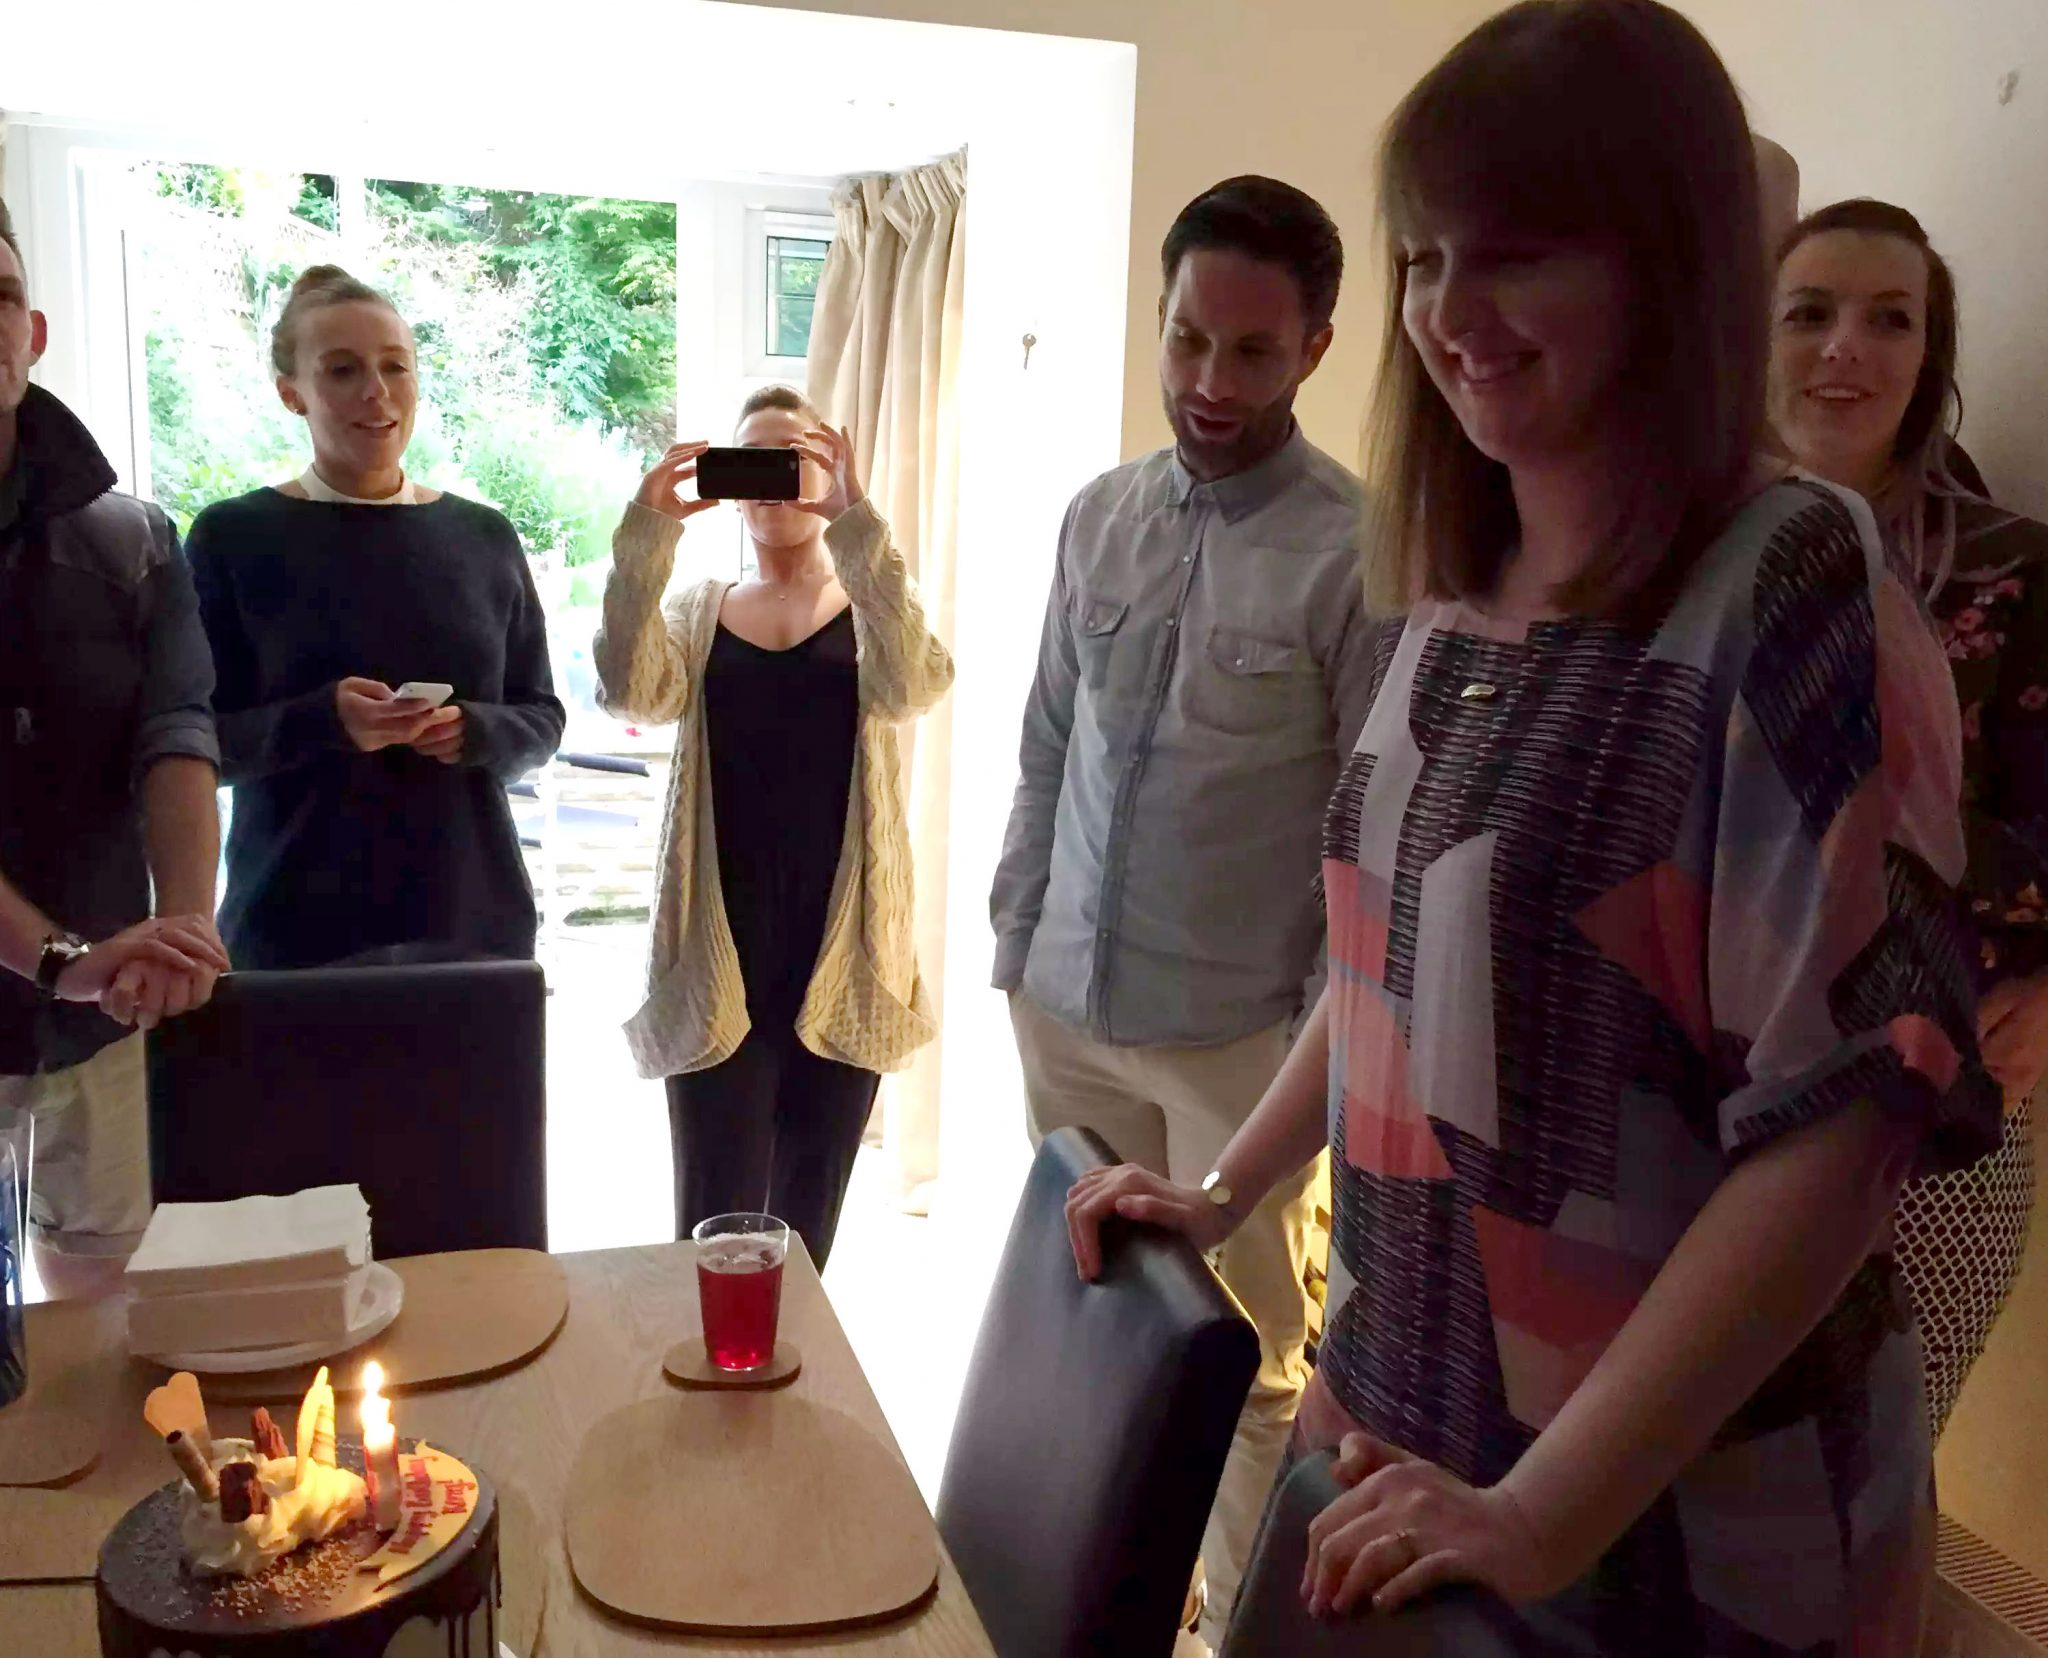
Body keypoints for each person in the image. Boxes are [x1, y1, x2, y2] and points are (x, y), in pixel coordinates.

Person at [1067, 3, 1999, 1650]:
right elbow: (1385, 966)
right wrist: (1222, 1188)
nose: (1448, 311)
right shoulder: (1454, 583)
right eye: (1426, 257)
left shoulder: (1789, 585)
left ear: (1668, 268)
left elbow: (1844, 1126)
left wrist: (1539, 1508)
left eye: (1515, 255)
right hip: (1407, 1440)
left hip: (1677, 1537)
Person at [992, 174, 1378, 1643]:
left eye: (1253, 350)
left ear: (1315, 347)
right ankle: (1106, 1612)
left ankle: (1240, 1633)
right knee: (1094, 1321)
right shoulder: (1097, 516)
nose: (1210, 380)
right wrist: (1015, 942)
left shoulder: (1360, 551)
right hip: (1065, 1009)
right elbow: (1047, 741)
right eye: (1187, 338)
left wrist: (1310, 1058)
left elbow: (1364, 839)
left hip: (1237, 1041)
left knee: (1247, 1362)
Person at [1770, 197, 2045, 1435]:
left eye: (1888, 319)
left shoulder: (2012, 569)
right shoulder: (1664, 551)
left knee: (1880, 1459)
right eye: (1808, 313)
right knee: (1693, 1477)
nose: (1844, 346)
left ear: (1927, 357)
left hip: (1931, 1108)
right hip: (1694, 1102)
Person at [594, 387, 951, 1270]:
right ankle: (706, 1363)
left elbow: (916, 683)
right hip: (719, 959)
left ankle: (788, 1360)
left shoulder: (870, 606)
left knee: (805, 1231)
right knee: (709, 1230)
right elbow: (631, 692)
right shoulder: (697, 612)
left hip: (845, 954)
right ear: (728, 483)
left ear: (825, 469)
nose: (771, 481)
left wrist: (858, 527)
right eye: (751, 461)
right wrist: (647, 538)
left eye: (791, 459)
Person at [186, 266, 564, 971]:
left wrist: (474, 730)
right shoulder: (233, 537)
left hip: (472, 923)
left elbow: (541, 716)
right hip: (294, 928)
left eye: (395, 366)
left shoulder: (483, 536)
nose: (377, 391)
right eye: (343, 370)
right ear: (291, 392)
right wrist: (324, 721)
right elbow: (194, 742)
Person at [0, 198, 229, 1299]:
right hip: (70, 970)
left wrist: (183, 931)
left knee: (106, 1328)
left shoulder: (131, 540)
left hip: (102, 1019)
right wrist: (59, 958)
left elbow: (178, 738)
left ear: (32, 331)